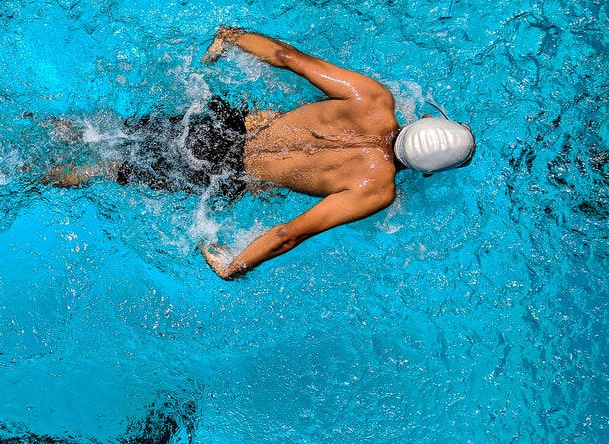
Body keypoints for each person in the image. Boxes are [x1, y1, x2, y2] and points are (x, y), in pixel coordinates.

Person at [43, 27, 475, 280]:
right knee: (108, 169)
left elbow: (288, 57)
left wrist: (231, 38)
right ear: (428, 172)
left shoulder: (374, 99)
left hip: (220, 123)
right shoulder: (376, 189)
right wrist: (234, 265)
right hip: (222, 173)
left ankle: (41, 122)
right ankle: (31, 176)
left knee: (105, 132)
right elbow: (291, 233)